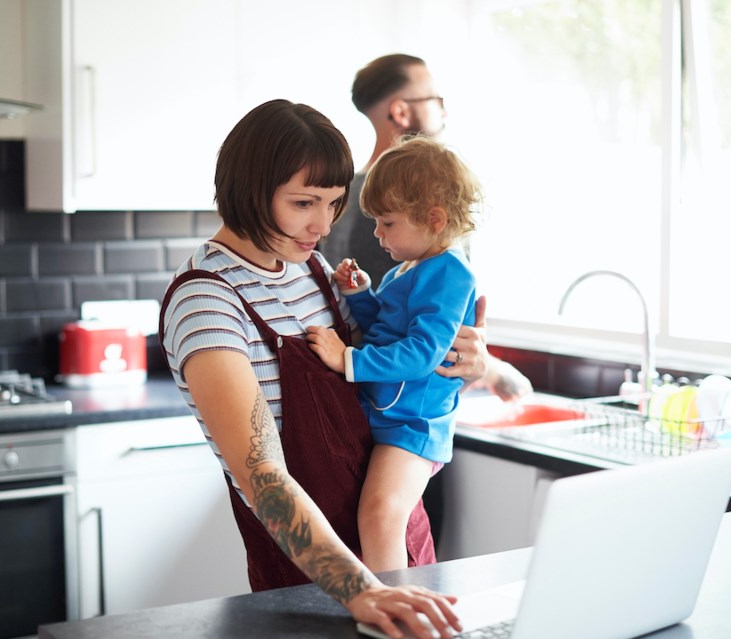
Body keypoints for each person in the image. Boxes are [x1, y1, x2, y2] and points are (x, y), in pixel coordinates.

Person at [160, 99, 493, 639]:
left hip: (398, 548)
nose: (322, 224)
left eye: (334, 203)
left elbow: (386, 360)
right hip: (316, 588)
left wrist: (466, 361)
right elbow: (263, 478)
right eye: (303, 202)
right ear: (249, 190)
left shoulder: (307, 266)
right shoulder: (207, 303)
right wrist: (365, 590)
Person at [307, 136, 479, 573]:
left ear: (434, 218)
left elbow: (423, 352)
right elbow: (386, 327)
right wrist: (361, 293)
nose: (378, 234)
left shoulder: (450, 272)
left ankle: (389, 611)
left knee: (381, 514)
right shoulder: (411, 266)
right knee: (376, 517)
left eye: (387, 223)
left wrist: (347, 359)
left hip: (412, 426)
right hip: (390, 417)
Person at [321, 53, 532, 401]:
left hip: (366, 394)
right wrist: (489, 370)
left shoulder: (340, 196)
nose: (444, 111)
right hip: (400, 400)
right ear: (402, 111)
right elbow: (408, 330)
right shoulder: (406, 212)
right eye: (436, 100)